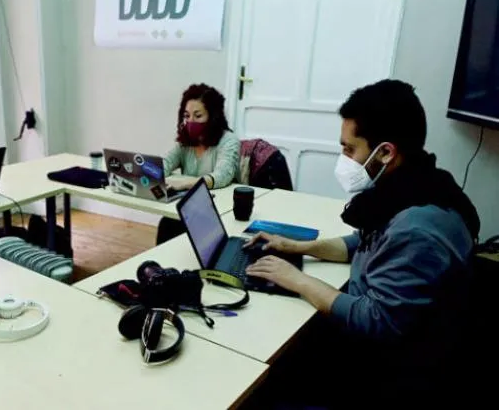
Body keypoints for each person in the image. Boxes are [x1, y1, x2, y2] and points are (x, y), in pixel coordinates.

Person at [244, 79, 479, 407]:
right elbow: (363, 243)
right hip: (375, 350)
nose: (344, 159)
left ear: (385, 152)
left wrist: (296, 279)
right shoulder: (413, 186)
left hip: (382, 375)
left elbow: (376, 320)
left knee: (262, 371)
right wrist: (298, 247)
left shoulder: (417, 229)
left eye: (349, 149)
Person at [156, 83, 241, 244]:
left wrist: (186, 183)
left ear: (213, 117)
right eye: (187, 116)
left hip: (220, 213)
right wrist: (149, 173)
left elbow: (222, 176)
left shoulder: (229, 141)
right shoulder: (185, 142)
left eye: (198, 116)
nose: (191, 121)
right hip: (191, 209)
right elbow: (166, 163)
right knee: (167, 224)